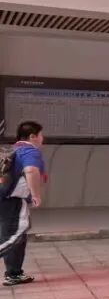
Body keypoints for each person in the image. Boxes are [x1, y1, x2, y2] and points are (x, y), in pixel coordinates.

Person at [0, 120, 46, 286]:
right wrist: (36, 195)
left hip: (7, 199)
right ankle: (13, 273)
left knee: (18, 234)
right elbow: (31, 170)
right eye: (41, 135)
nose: (43, 139)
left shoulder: (15, 148)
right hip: (12, 200)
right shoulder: (28, 150)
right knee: (14, 235)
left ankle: (14, 274)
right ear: (33, 136)